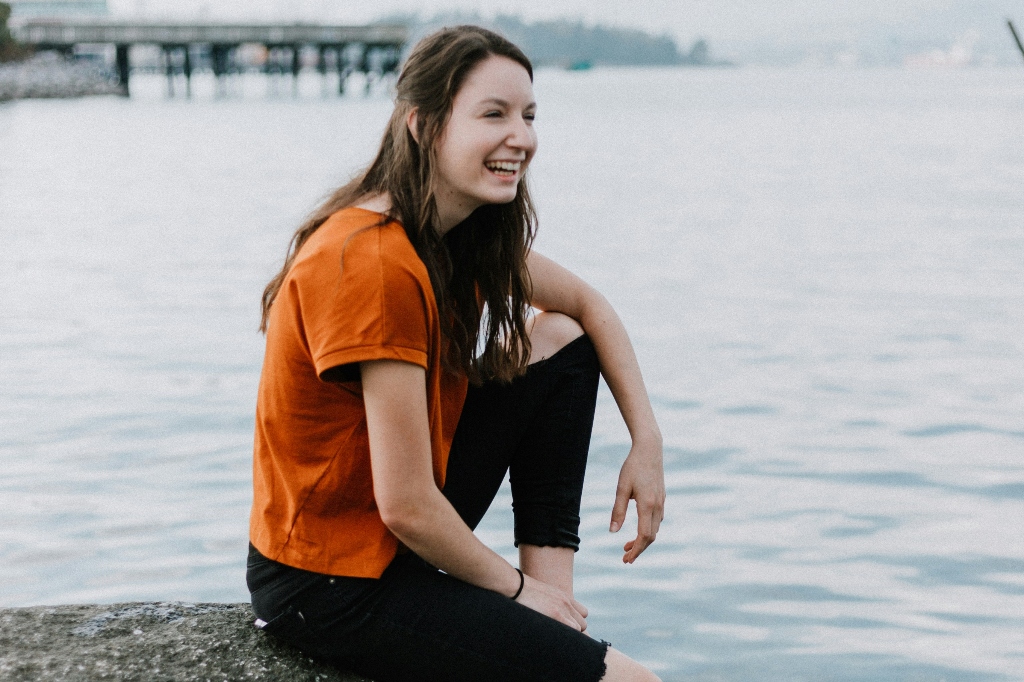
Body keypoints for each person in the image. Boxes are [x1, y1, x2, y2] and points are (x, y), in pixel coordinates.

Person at [247, 25, 666, 682]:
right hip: (328, 582)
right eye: (492, 115)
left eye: (528, 115)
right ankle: (545, 618)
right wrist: (516, 594)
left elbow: (590, 307)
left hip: (394, 533)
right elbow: (407, 505)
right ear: (423, 125)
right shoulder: (371, 262)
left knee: (560, 338)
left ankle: (560, 607)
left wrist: (647, 441)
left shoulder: (455, 235)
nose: (521, 137)